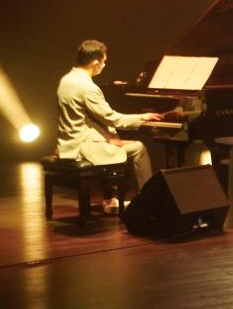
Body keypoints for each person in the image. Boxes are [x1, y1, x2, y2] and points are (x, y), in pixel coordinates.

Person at [56, 40, 162, 214]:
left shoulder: (66, 80)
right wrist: (141, 117)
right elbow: (113, 119)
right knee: (139, 148)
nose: (104, 65)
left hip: (69, 143)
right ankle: (149, 200)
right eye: (103, 61)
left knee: (113, 140)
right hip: (85, 146)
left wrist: (111, 135)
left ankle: (110, 197)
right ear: (95, 62)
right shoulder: (87, 87)